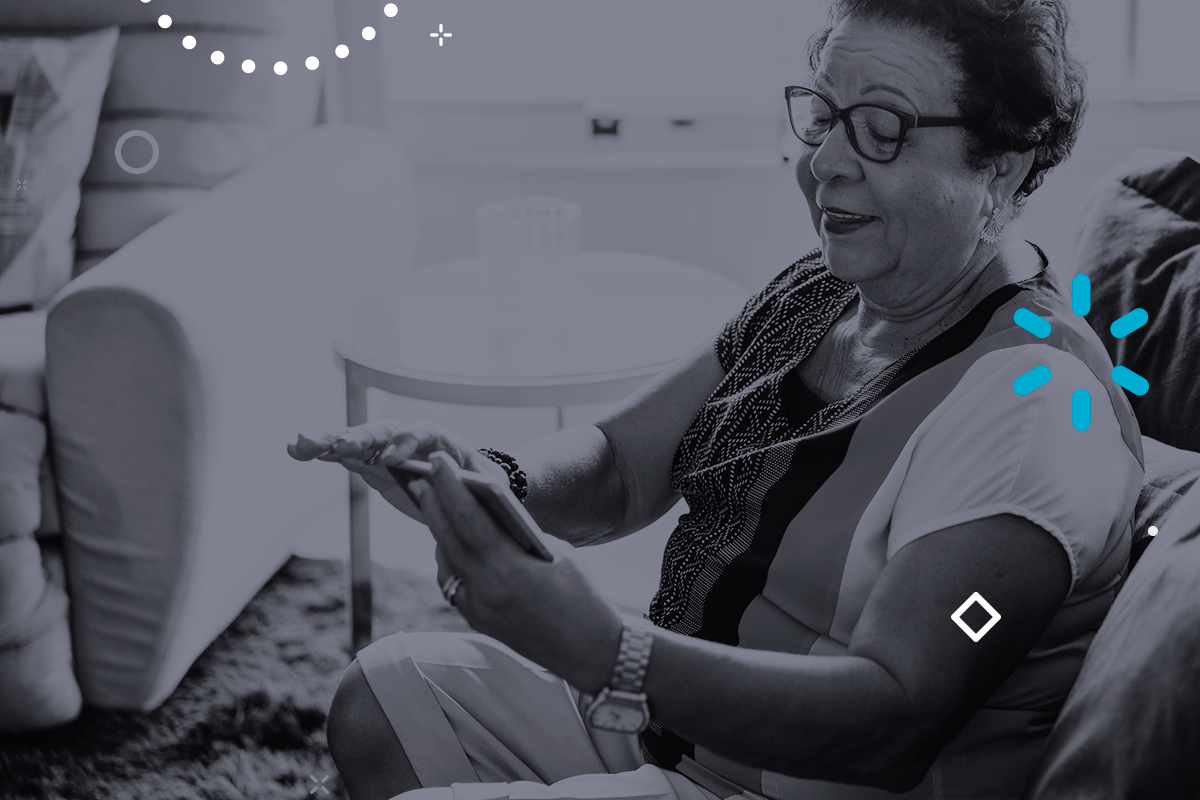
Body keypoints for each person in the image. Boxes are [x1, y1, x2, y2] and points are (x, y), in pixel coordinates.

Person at [289, 1, 1144, 798]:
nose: (824, 162)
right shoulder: (822, 291)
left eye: (882, 130)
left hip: (787, 782)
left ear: (1002, 167)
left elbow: (895, 722)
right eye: (824, 116)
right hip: (678, 725)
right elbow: (624, 469)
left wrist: (608, 651)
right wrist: (490, 481)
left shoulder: (1031, 407)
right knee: (378, 696)